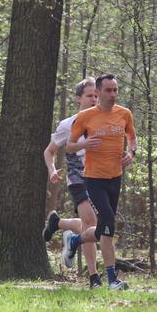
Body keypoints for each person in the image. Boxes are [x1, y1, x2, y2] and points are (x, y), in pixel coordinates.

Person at [64, 73, 137, 291]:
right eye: (108, 90)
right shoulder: (86, 117)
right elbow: (69, 145)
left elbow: (132, 138)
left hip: (115, 177)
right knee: (108, 222)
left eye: (115, 90)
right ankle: (112, 279)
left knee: (105, 227)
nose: (113, 94)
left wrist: (131, 153)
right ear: (98, 92)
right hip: (93, 178)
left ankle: (75, 241)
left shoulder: (125, 114)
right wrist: (84, 145)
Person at [42, 77, 101, 289]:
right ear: (78, 99)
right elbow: (49, 152)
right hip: (78, 177)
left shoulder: (105, 121)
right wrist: (51, 171)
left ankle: (58, 224)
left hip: (100, 178)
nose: (94, 99)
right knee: (90, 220)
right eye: (89, 96)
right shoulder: (67, 124)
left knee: (92, 226)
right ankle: (94, 277)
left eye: (96, 95)